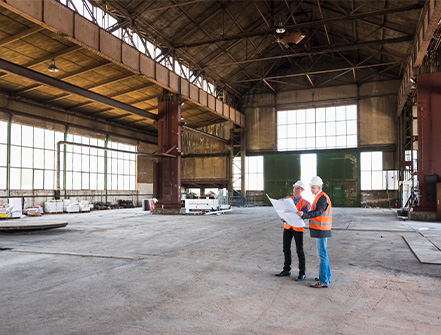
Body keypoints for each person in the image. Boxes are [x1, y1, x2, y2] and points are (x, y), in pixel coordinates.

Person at [297, 176, 332, 288]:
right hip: (320, 230)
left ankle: (323, 281)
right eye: (311, 187)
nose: (311, 189)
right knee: (323, 255)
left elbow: (318, 212)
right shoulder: (318, 196)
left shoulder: (322, 197)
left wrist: (305, 215)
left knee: (322, 255)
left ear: (319, 187)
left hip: (321, 230)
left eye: (313, 187)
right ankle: (326, 277)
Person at [275, 180, 310, 281]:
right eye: (295, 188)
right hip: (287, 227)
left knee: (299, 250)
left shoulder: (305, 203)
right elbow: (279, 202)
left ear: (302, 190)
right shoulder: (287, 199)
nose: (295, 190)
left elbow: (305, 215)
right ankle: (286, 269)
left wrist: (300, 215)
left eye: (298, 188)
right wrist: (282, 216)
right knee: (286, 248)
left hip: (298, 228)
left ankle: (302, 273)